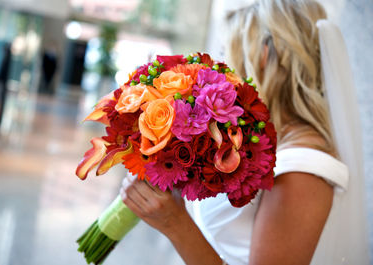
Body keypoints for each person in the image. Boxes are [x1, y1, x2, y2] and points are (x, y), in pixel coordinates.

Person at [120, 0, 370, 264]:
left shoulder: (303, 167)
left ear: (261, 56)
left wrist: (175, 223)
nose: (222, 65)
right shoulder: (265, 140)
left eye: (227, 51)